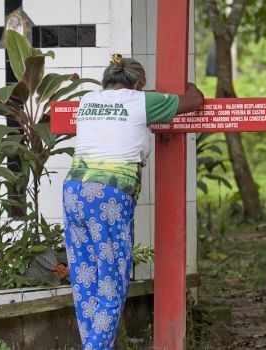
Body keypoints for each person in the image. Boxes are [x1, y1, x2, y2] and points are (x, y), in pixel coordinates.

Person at [62, 54, 204, 349]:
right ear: (138, 83)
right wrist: (180, 84)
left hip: (74, 191)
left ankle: (93, 344)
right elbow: (194, 99)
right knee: (113, 284)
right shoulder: (141, 101)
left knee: (85, 278)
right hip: (108, 196)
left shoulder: (88, 100)